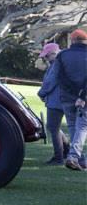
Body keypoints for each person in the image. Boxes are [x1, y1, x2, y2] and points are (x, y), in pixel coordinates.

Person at [53, 28, 87, 171]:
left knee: (73, 125)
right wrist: (82, 95)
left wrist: (73, 92)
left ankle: (81, 160)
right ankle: (73, 157)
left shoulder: (62, 55)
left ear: (72, 40)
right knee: (82, 126)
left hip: (67, 96)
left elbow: (59, 76)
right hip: (84, 96)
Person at [37, 43, 69, 164]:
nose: (45, 59)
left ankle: (58, 157)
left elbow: (51, 81)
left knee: (52, 127)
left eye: (46, 56)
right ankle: (66, 150)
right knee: (55, 127)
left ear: (53, 53)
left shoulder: (56, 64)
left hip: (56, 100)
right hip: (65, 99)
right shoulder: (64, 61)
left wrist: (41, 93)